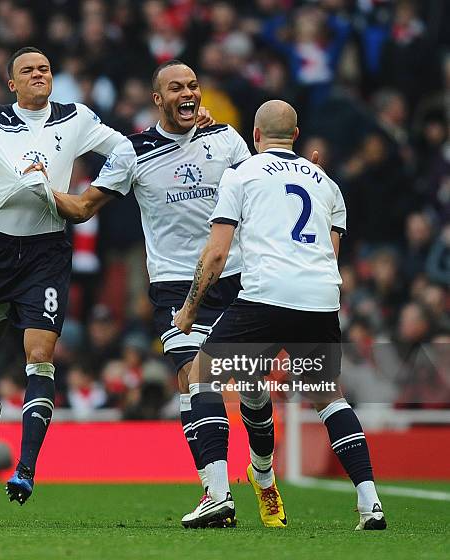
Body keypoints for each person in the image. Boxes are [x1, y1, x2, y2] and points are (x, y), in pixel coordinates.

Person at [0, 38, 212, 505]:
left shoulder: (76, 118)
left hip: (47, 253)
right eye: (29, 69)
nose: (39, 74)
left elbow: (130, 149)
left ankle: (26, 469)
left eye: (46, 68)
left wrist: (189, 130)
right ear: (12, 83)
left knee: (40, 356)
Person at [53, 60, 291, 528]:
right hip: (174, 285)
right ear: (157, 99)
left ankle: (263, 479)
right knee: (193, 377)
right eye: (176, 87)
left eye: (194, 86)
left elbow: (262, 192)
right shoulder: (133, 152)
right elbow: (83, 208)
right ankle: (217, 494)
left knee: (252, 391)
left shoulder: (225, 140)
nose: (189, 93)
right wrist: (38, 184)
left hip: (237, 277)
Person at [174, 100, 386, 531]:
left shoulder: (242, 175)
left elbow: (216, 254)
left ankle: (216, 496)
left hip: (265, 295)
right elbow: (330, 254)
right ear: (296, 134)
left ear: (255, 136)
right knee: (329, 397)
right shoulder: (326, 183)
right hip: (320, 298)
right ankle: (371, 505)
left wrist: (188, 309)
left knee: (202, 376)